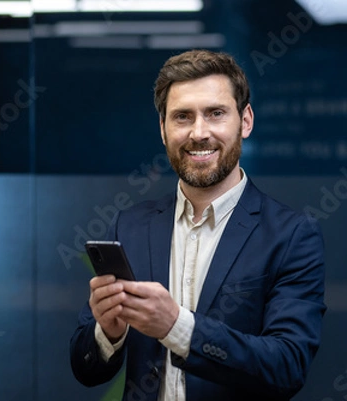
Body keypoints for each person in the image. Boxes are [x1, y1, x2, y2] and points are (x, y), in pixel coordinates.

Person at [70, 49, 326, 401]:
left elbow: (287, 366)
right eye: (182, 117)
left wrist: (177, 327)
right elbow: (85, 369)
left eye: (216, 114)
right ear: (163, 129)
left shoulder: (292, 236)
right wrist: (108, 332)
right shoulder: (129, 226)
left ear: (245, 121)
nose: (199, 132)